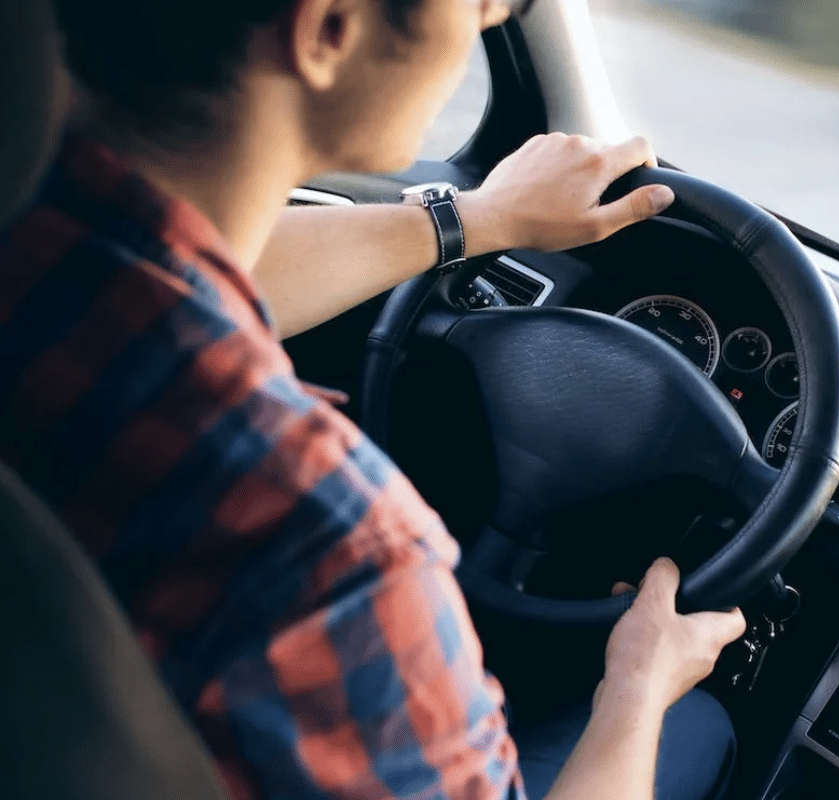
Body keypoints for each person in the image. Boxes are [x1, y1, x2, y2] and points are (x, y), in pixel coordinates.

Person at [0, 0, 747, 799]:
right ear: (329, 28)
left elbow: (191, 271)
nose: (491, 17)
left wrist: (479, 219)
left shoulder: (38, 242)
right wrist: (637, 684)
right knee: (696, 726)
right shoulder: (331, 555)